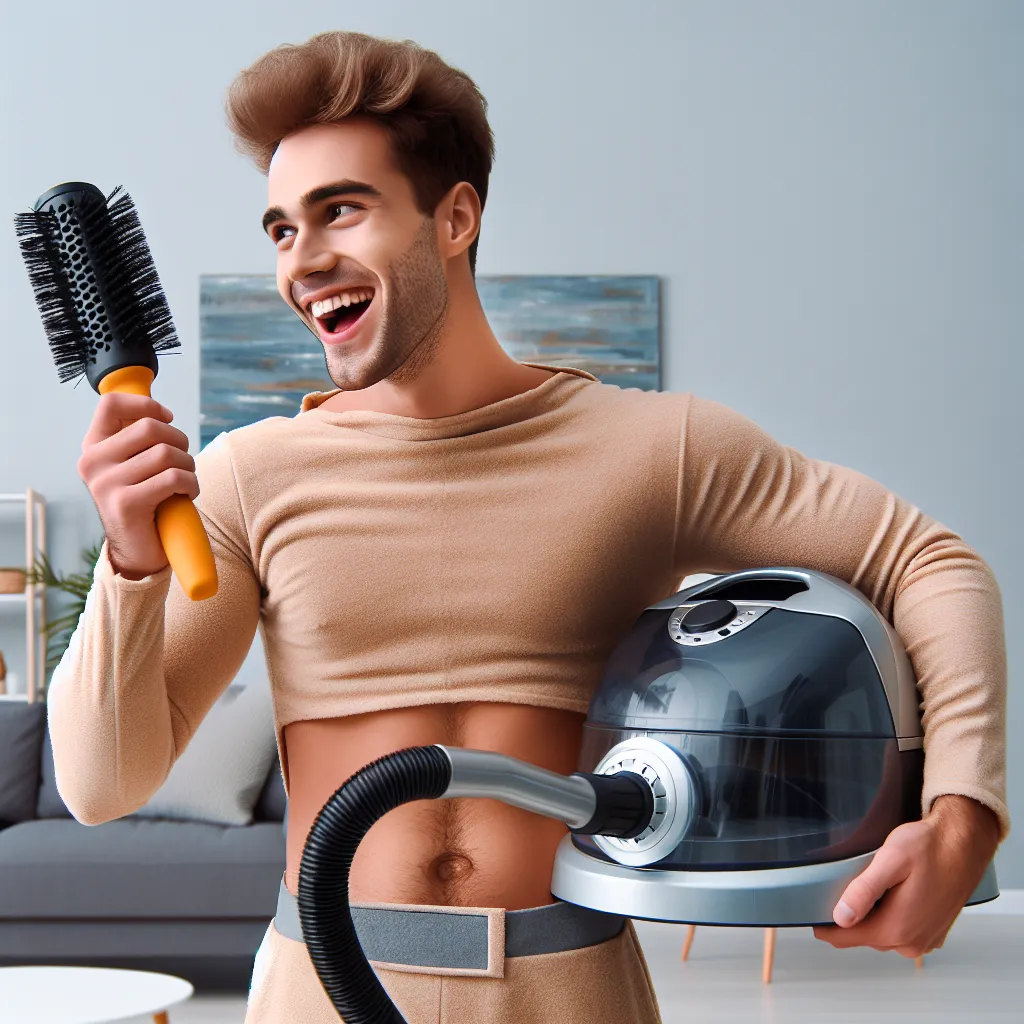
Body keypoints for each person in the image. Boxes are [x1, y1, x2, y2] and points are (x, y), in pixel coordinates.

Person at [48, 30, 1008, 1024]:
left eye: (341, 210)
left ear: (453, 216)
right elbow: (101, 786)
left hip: (568, 987)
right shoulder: (248, 476)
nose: (305, 261)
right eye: (282, 229)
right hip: (321, 988)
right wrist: (128, 561)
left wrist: (962, 813)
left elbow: (926, 559)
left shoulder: (648, 450)